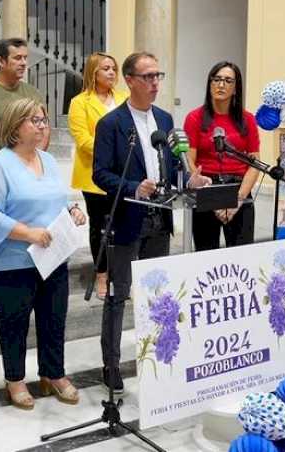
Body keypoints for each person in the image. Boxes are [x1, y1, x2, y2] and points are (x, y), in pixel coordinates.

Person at [0, 98, 86, 410]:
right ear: (14, 126)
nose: (41, 126)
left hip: (52, 256)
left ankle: (54, 374)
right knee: (14, 323)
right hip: (13, 259)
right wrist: (28, 232)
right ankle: (15, 380)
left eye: (44, 120)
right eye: (34, 120)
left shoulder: (47, 161)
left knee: (54, 318)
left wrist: (73, 210)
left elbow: (55, 201)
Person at [92, 52, 177, 395]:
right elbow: (100, 173)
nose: (155, 83)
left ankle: (159, 357)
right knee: (118, 295)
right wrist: (133, 187)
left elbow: (171, 164)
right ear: (130, 79)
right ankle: (110, 365)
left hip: (160, 218)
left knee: (158, 296)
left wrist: (188, 178)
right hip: (127, 219)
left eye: (159, 75)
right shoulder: (112, 124)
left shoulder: (166, 119)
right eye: (148, 76)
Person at [0, 38, 49, 319]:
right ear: (1, 61)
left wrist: (39, 156)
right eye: (17, 58)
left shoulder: (32, 91)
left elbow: (43, 124)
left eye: (25, 58)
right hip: (0, 171)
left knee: (31, 226)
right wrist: (3, 161)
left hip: (31, 167)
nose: (24, 63)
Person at [67, 52, 129, 300]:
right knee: (100, 228)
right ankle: (101, 275)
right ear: (94, 72)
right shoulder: (80, 102)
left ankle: (122, 275)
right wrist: (115, 152)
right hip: (94, 176)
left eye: (114, 68)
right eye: (106, 69)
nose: (112, 73)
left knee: (123, 226)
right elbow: (83, 141)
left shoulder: (125, 99)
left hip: (124, 174)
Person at [183, 61, 260, 250]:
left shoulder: (247, 119)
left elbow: (254, 162)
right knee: (206, 256)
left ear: (235, 88)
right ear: (209, 84)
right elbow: (189, 161)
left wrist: (239, 199)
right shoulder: (194, 118)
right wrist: (210, 197)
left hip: (239, 189)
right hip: (207, 188)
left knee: (242, 256)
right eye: (216, 79)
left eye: (227, 80)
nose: (221, 84)